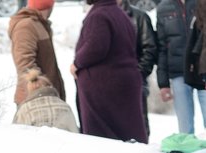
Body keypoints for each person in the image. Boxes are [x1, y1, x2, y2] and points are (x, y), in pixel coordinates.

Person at [72, 0, 148, 142]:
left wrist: (77, 63)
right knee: (125, 135)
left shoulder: (99, 15)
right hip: (122, 83)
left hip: (104, 89)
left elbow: (96, 47)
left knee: (104, 141)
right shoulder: (120, 13)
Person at [156, 0, 206, 133]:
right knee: (185, 126)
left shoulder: (202, 3)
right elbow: (161, 47)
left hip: (203, 69)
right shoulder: (163, 7)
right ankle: (188, 151)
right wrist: (163, 83)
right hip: (178, 72)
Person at [9, 0, 67, 110]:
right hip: (34, 101)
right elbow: (25, 65)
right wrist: (42, 91)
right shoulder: (26, 26)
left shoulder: (39, 24)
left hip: (47, 98)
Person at [121, 0, 159, 136]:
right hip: (110, 83)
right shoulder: (99, 16)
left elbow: (150, 49)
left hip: (135, 81)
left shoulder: (139, 17)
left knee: (139, 129)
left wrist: (137, 74)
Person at [14, 68, 80, 132]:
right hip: (64, 142)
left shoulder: (24, 109)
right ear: (49, 86)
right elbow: (75, 132)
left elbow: (18, 134)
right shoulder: (65, 106)